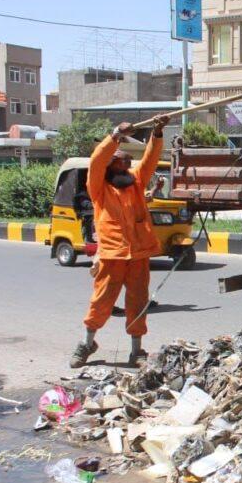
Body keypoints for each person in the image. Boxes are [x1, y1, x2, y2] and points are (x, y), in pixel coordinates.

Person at [70, 116, 169, 368]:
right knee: (101, 301)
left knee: (137, 303)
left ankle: (137, 351)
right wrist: (116, 135)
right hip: (111, 255)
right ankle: (86, 344)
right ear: (110, 164)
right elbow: (96, 160)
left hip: (138, 255)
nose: (126, 161)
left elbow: (149, 160)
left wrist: (157, 133)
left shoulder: (136, 181)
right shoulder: (98, 188)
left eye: (127, 160)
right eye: (120, 158)